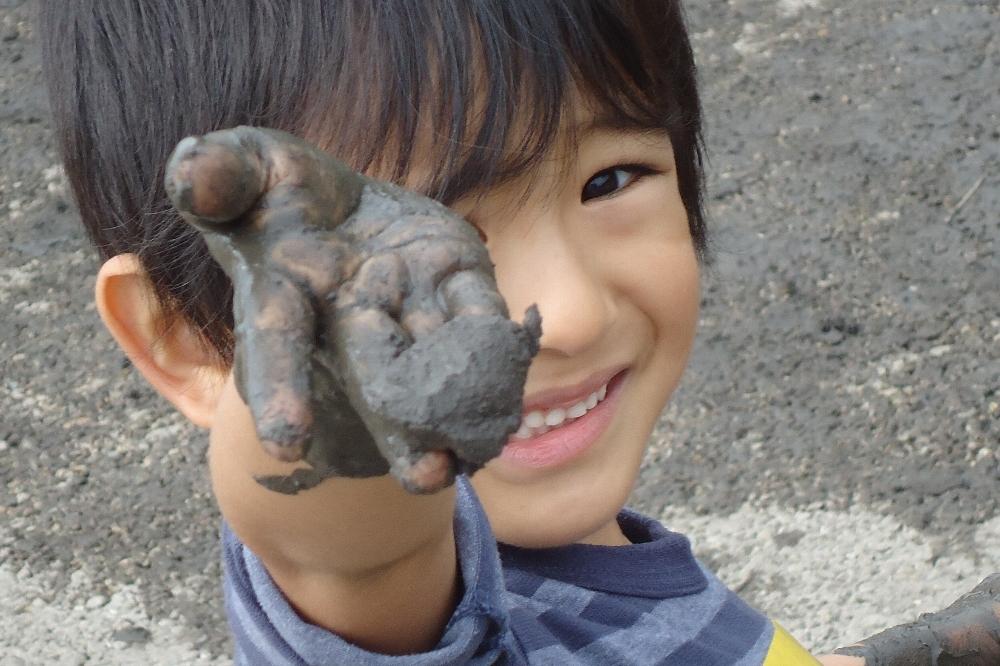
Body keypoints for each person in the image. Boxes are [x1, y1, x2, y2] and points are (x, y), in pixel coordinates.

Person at [36, 1, 932, 664]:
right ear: (190, 343)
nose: (568, 314)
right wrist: (338, 397)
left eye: (611, 181)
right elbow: (343, 545)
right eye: (415, 266)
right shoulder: (415, 618)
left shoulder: (591, 589)